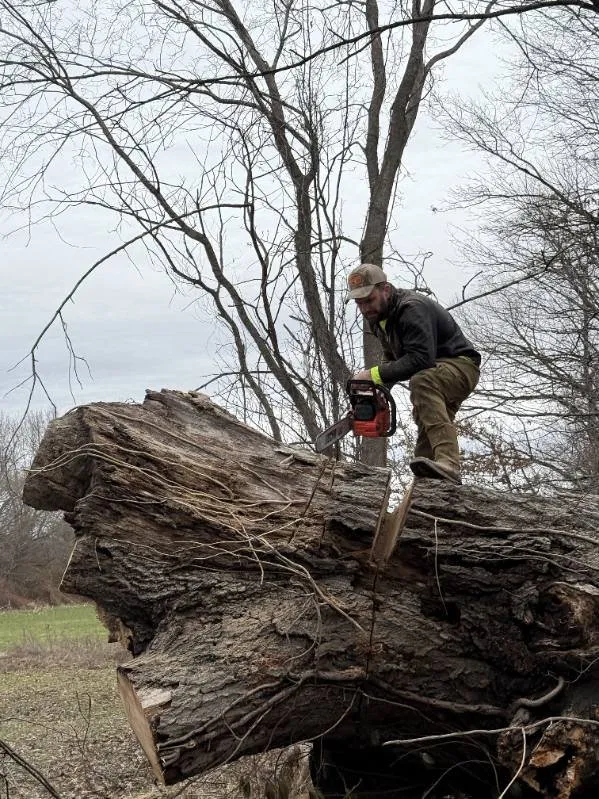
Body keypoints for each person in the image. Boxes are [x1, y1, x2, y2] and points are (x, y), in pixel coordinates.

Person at [348, 263, 480, 484]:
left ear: (385, 290)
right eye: (359, 303)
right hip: (436, 371)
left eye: (368, 300)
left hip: (460, 365)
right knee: (425, 415)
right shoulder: (378, 319)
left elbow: (420, 359)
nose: (364, 308)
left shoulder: (411, 308)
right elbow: (392, 360)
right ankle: (429, 482)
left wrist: (372, 375)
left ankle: (449, 464)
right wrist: (376, 392)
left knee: (422, 382)